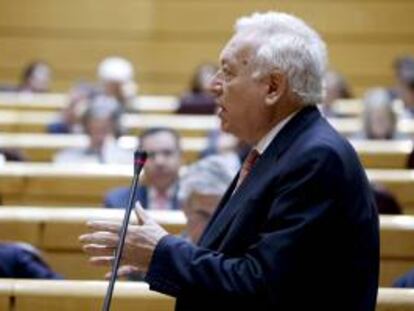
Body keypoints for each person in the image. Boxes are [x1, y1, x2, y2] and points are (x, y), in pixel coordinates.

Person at [80, 11, 379, 310]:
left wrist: (163, 252)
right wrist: (159, 257)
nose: (213, 85)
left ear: (273, 87)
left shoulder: (315, 158)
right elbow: (244, 262)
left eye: (228, 72)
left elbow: (264, 287)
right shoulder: (283, 148)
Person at [104, 127, 182, 210]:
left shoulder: (195, 202)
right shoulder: (117, 201)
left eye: (167, 153)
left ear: (181, 157)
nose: (159, 162)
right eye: (151, 155)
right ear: (140, 160)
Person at [179, 153, 239, 243]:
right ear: (185, 208)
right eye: (203, 215)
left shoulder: (244, 255)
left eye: (220, 216)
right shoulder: (168, 255)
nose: (211, 228)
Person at [53, 96, 130, 164]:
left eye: (104, 130)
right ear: (86, 127)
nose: (99, 136)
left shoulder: (127, 159)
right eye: (95, 130)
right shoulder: (67, 158)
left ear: (114, 128)